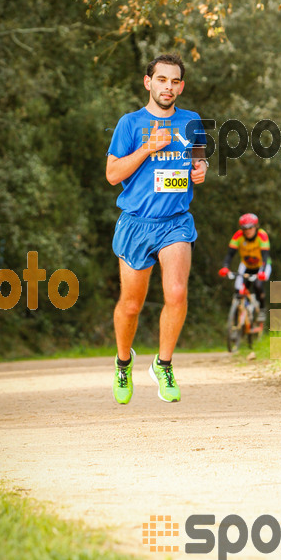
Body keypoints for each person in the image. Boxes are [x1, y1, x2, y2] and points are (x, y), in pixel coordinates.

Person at [106, 53, 208, 404]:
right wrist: (148, 148)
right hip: (136, 224)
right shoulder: (130, 124)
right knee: (131, 305)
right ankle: (123, 362)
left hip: (176, 222)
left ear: (181, 86)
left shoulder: (192, 121)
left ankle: (163, 365)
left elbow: (198, 158)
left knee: (176, 293)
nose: (169, 86)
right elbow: (113, 174)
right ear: (149, 83)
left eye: (175, 81)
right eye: (162, 80)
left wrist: (201, 168)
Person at [218, 214, 271, 318]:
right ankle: (239, 316)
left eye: (250, 227)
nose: (248, 231)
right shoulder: (238, 236)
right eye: (244, 228)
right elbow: (230, 254)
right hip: (246, 265)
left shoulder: (262, 235)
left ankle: (262, 309)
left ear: (256, 227)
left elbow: (265, 256)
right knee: (238, 290)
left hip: (262, 265)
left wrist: (263, 272)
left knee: (258, 285)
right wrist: (225, 267)